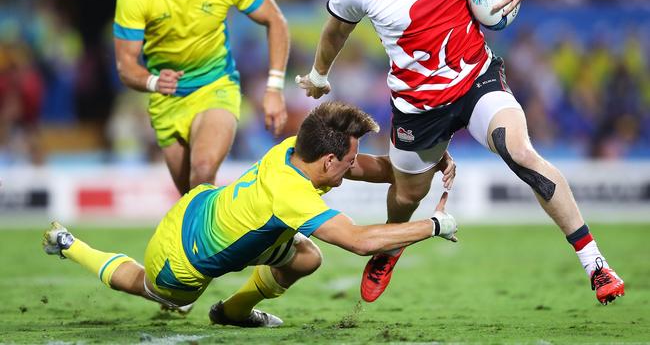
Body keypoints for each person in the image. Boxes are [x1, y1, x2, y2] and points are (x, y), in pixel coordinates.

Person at [296, 0, 624, 305]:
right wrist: (319, 74)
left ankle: (595, 263)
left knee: (519, 151)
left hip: (477, 80)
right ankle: (392, 246)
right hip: (418, 106)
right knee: (406, 193)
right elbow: (335, 30)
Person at [42, 101, 458, 327]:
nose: (354, 164)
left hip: (203, 206)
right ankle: (69, 244)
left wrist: (426, 160)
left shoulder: (299, 148)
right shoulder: (293, 194)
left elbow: (373, 168)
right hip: (183, 258)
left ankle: (234, 312)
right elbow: (361, 242)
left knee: (307, 257)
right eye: (347, 159)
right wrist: (435, 224)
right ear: (329, 160)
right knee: (157, 293)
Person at [113, 0, 290, 195]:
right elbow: (126, 66)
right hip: (167, 99)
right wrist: (153, 81)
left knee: (204, 168)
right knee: (192, 201)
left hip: (215, 86)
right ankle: (252, 236)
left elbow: (276, 21)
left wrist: (274, 87)